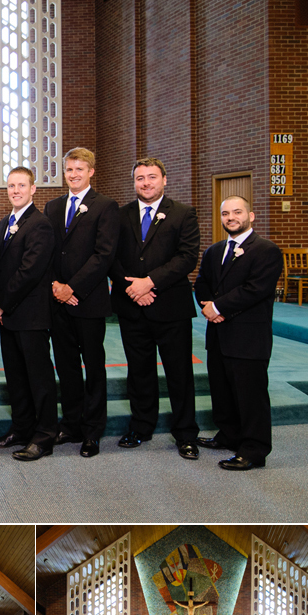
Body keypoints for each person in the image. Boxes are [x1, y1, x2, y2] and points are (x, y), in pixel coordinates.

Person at [110, 158, 201, 458]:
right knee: (138, 372)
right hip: (131, 306)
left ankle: (186, 433)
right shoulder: (120, 215)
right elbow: (111, 258)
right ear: (133, 182)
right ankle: (141, 426)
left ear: (164, 179)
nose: (146, 183)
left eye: (151, 177)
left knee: (179, 373)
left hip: (170, 306)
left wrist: (149, 283)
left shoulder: (183, 214)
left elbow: (187, 257)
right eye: (140, 178)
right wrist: (132, 290)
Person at [194, 196, 283, 470]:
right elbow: (202, 284)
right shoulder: (214, 250)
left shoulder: (266, 250)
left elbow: (256, 290)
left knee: (250, 396)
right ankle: (229, 434)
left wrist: (218, 307)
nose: (230, 217)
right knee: (222, 391)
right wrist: (208, 306)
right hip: (218, 334)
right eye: (225, 213)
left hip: (248, 337)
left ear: (251, 216)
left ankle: (254, 450)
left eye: (237, 212)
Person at [45, 147, 119, 457]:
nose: (74, 174)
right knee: (67, 367)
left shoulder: (105, 206)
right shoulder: (53, 206)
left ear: (91, 172)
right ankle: (72, 424)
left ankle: (92, 430)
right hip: (58, 302)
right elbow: (47, 251)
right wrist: (56, 287)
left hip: (87, 301)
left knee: (93, 366)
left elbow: (104, 256)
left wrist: (72, 287)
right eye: (69, 170)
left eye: (80, 169)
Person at [0, 167, 58, 462]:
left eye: (21, 185)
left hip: (30, 314)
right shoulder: (6, 221)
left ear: (33, 190)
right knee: (16, 377)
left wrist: (3, 303)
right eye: (11, 186)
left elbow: (29, 271)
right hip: (8, 315)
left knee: (38, 378)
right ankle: (21, 428)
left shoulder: (40, 224)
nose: (15, 190)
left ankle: (44, 436)